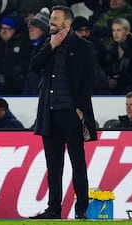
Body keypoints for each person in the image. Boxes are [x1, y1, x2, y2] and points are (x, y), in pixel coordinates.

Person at [29, 5, 97, 219]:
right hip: (49, 113)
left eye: (55, 18)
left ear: (67, 22)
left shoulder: (83, 46)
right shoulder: (47, 44)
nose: (51, 22)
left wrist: (80, 108)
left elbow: (90, 78)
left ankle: (81, 210)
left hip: (71, 113)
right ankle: (54, 208)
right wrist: (51, 46)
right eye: (51, 18)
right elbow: (33, 67)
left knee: (78, 163)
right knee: (53, 165)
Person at [0, 11, 32, 95]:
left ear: (16, 30)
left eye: (8, 29)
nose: (4, 31)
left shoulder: (24, 43)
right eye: (2, 28)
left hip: (16, 87)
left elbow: (25, 64)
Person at [101, 18, 132, 94]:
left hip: (130, 85)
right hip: (112, 85)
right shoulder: (109, 49)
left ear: (127, 31)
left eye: (119, 30)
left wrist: (118, 81)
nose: (115, 33)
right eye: (113, 30)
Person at [23, 7, 50, 95]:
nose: (31, 30)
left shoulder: (49, 47)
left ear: (44, 30)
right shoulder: (23, 45)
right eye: (30, 27)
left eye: (36, 27)